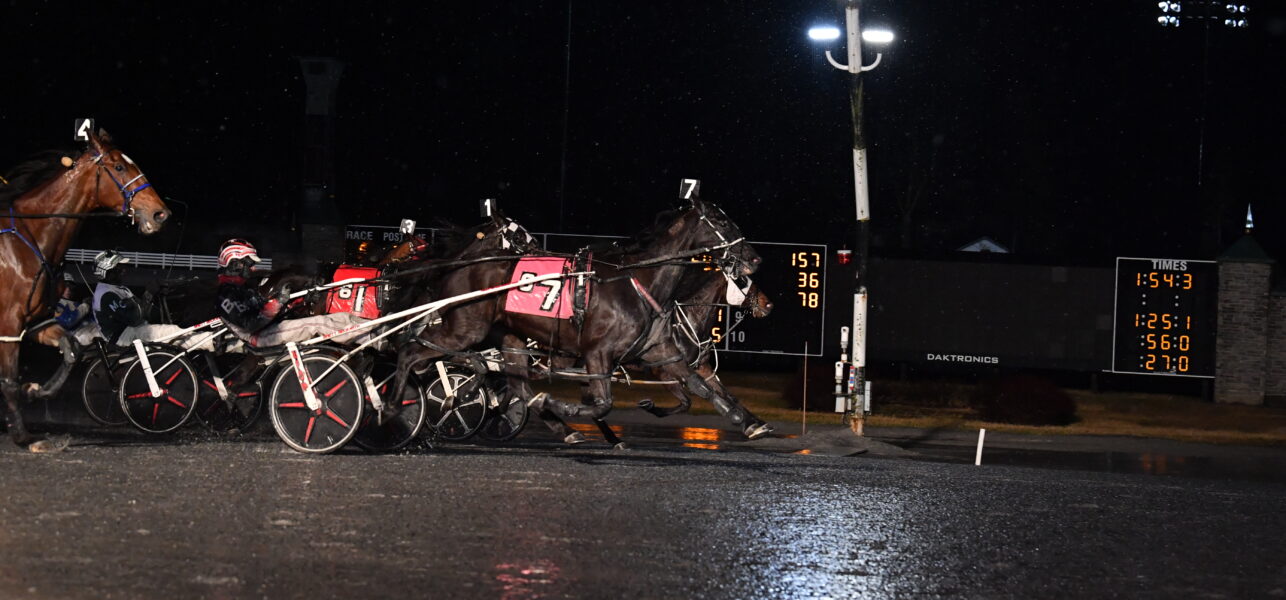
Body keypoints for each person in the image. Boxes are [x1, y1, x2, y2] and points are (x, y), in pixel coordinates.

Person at [214, 239, 373, 347]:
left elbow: (262, 308)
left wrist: (294, 302)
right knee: (317, 323)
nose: (253, 269)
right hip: (260, 337)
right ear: (235, 264)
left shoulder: (241, 288)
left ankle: (374, 329)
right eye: (249, 264)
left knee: (339, 317)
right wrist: (278, 302)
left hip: (269, 328)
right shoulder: (226, 294)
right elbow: (252, 324)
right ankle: (370, 339)